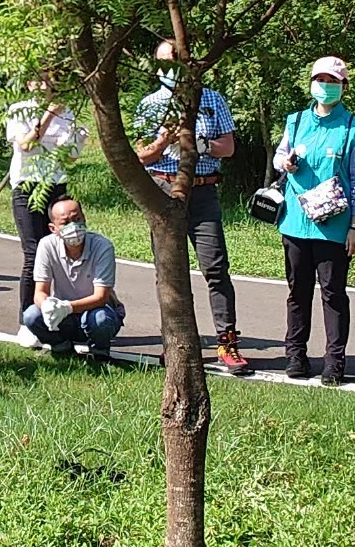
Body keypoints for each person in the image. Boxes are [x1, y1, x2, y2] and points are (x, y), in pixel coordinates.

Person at [133, 41, 242, 371]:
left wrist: (200, 143)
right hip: (163, 190)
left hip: (203, 190)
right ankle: (177, 343)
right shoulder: (150, 105)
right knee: (169, 271)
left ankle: (228, 342)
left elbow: (229, 147)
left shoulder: (210, 98)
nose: (171, 68)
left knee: (215, 267)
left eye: (177, 60)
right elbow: (142, 154)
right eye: (164, 62)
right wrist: (164, 140)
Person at [270, 56, 355, 386]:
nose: (325, 86)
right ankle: (296, 355)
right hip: (295, 222)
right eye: (321, 79)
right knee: (297, 292)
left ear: (343, 86)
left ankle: (335, 361)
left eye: (333, 80)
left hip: (334, 225)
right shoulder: (297, 121)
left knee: (333, 293)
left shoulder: (354, 129)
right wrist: (283, 162)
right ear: (311, 82)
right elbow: (278, 156)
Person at [2, 75, 87, 314]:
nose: (44, 85)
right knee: (34, 252)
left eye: (50, 80)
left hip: (57, 186)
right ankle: (29, 317)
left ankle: (65, 312)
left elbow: (70, 157)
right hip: (27, 186)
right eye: (38, 80)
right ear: (28, 83)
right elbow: (26, 144)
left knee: (67, 247)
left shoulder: (70, 113)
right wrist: (49, 115)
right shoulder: (18, 110)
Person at [26, 194, 125, 366]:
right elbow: (40, 292)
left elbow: (101, 297)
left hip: (96, 312)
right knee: (31, 316)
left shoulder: (103, 247)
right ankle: (62, 348)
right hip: (63, 318)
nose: (73, 226)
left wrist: (68, 307)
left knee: (101, 319)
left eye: (77, 219)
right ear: (53, 228)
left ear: (84, 218)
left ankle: (100, 353)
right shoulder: (46, 245)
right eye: (65, 223)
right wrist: (48, 306)